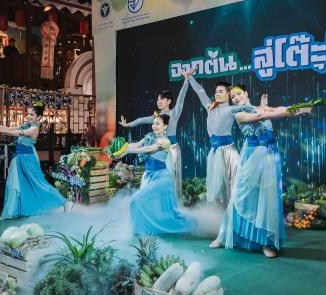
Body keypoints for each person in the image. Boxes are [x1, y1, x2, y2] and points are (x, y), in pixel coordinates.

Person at [211, 85, 311, 258]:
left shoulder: (259, 107)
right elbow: (261, 116)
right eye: (233, 97)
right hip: (253, 155)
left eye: (238, 94)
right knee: (241, 196)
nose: (236, 98)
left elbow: (276, 109)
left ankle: (266, 242)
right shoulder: (238, 114)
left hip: (269, 155)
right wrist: (285, 112)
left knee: (266, 198)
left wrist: (299, 109)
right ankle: (225, 235)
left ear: (246, 93)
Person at [0, 104, 67, 219]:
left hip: (28, 160)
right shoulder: (27, 125)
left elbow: (11, 133)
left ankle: (65, 202)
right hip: (20, 159)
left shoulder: (33, 129)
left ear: (38, 117)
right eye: (28, 114)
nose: (29, 116)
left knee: (39, 184)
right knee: (22, 185)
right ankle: (20, 210)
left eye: (32, 114)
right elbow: (8, 129)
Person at [115, 114, 194, 235]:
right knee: (150, 206)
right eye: (153, 123)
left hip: (161, 179)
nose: (154, 126)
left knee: (137, 200)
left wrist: (129, 151)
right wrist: (120, 151)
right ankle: (143, 230)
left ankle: (143, 230)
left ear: (165, 126)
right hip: (148, 176)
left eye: (158, 124)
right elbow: (135, 145)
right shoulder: (149, 136)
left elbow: (148, 149)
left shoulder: (165, 141)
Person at [119, 79, 190, 200]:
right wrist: (128, 124)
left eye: (162, 99)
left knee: (172, 178)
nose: (159, 102)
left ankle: (172, 203)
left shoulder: (174, 113)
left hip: (171, 149)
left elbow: (181, 98)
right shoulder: (156, 117)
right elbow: (141, 120)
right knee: (158, 180)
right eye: (157, 100)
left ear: (169, 101)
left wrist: (186, 81)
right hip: (158, 149)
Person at [185, 69, 239, 206]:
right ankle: (221, 212)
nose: (217, 94)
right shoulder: (211, 107)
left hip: (227, 151)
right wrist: (190, 78)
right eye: (216, 92)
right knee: (217, 187)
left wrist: (263, 107)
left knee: (230, 185)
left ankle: (233, 212)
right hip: (214, 151)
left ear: (228, 94)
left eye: (221, 91)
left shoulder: (232, 109)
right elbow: (200, 91)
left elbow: (250, 110)